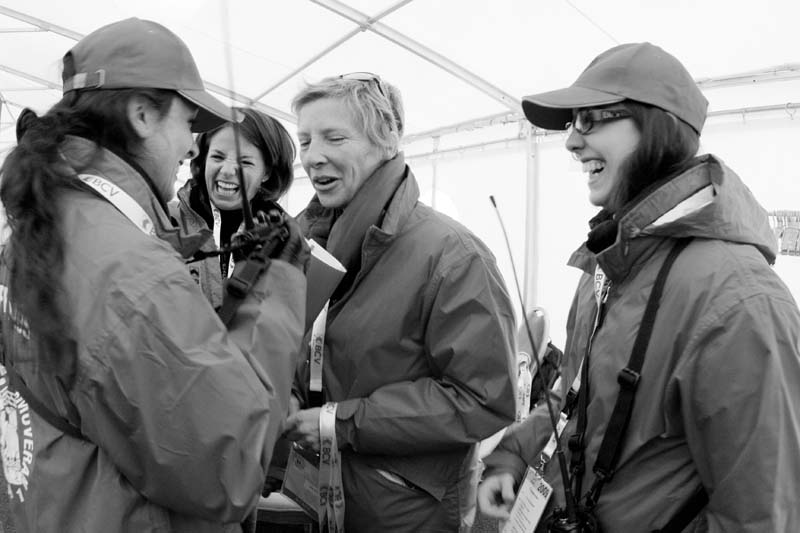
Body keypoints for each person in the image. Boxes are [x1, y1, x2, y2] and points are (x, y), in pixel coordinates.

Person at [0, 18, 308, 533]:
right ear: (142, 115)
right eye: (188, 124)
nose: (191, 148)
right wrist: (276, 289)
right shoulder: (132, 276)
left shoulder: (47, 222)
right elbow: (230, 468)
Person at [478, 42, 800, 532]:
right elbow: (576, 399)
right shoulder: (607, 267)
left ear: (656, 127)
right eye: (572, 122)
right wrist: (514, 455)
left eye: (590, 119)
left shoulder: (739, 300)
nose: (571, 141)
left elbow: (761, 515)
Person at [282, 73, 517, 532]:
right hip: (327, 491)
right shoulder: (310, 239)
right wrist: (292, 390)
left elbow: (482, 398)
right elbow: (308, 339)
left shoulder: (452, 255)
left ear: (388, 138)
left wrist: (342, 422)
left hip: (404, 509)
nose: (312, 156)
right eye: (305, 141)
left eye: (334, 137)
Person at [172, 107, 296, 309]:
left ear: (266, 173)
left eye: (245, 162)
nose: (228, 171)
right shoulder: (166, 222)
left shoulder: (284, 242)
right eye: (217, 157)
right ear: (203, 161)